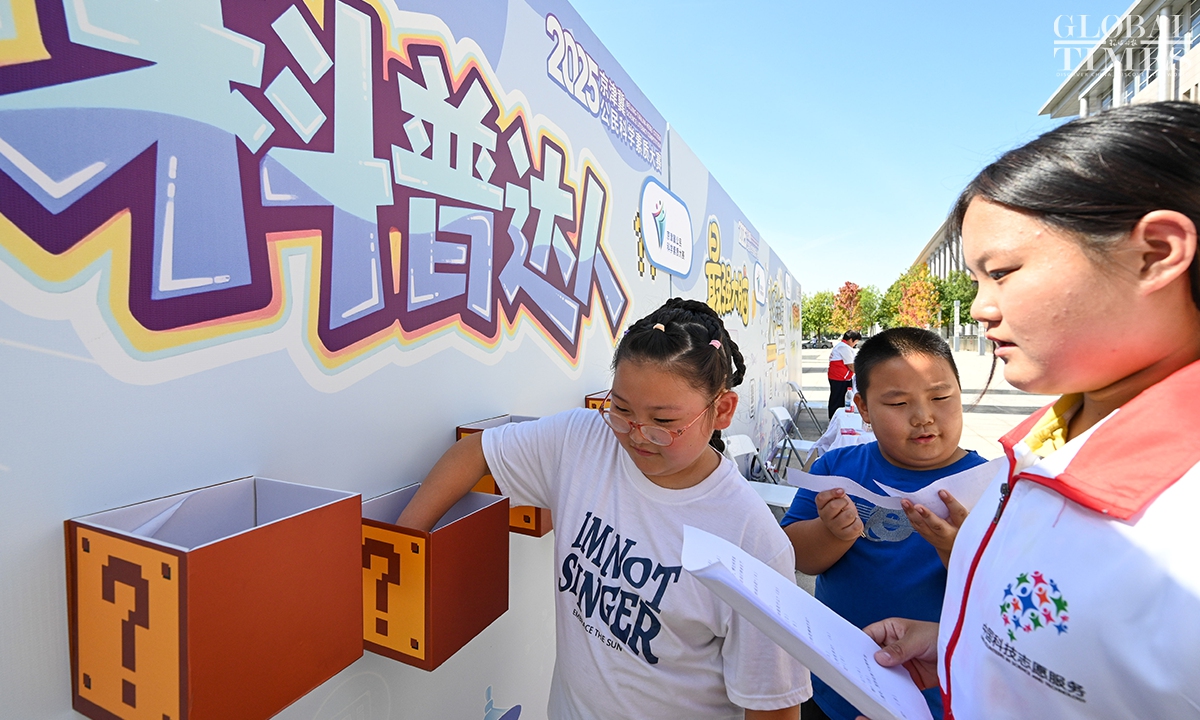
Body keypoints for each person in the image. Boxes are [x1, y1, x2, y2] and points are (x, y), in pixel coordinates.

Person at [861, 101, 1200, 719]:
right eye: (975, 280)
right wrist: (961, 647)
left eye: (1002, 272)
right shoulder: (1041, 449)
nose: (979, 308)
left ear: (1155, 253)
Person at [397, 297, 811, 720]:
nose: (637, 435)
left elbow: (773, 708)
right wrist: (404, 550)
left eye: (663, 422)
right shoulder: (583, 441)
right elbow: (475, 453)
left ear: (721, 410)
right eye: (622, 409)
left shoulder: (753, 543)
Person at [781, 328, 986, 720]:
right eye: (897, 402)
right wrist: (832, 533)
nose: (923, 416)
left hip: (937, 699)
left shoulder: (991, 486)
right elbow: (797, 556)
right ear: (862, 407)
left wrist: (956, 550)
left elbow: (1004, 600)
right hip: (833, 682)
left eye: (940, 397)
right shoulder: (837, 469)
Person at [827, 331, 861, 419]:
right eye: (855, 341)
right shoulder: (844, 347)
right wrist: (861, 374)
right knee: (838, 400)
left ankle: (838, 417)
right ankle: (834, 419)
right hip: (839, 378)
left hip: (841, 378)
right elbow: (850, 365)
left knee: (840, 399)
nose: (855, 344)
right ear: (851, 340)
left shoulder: (842, 346)